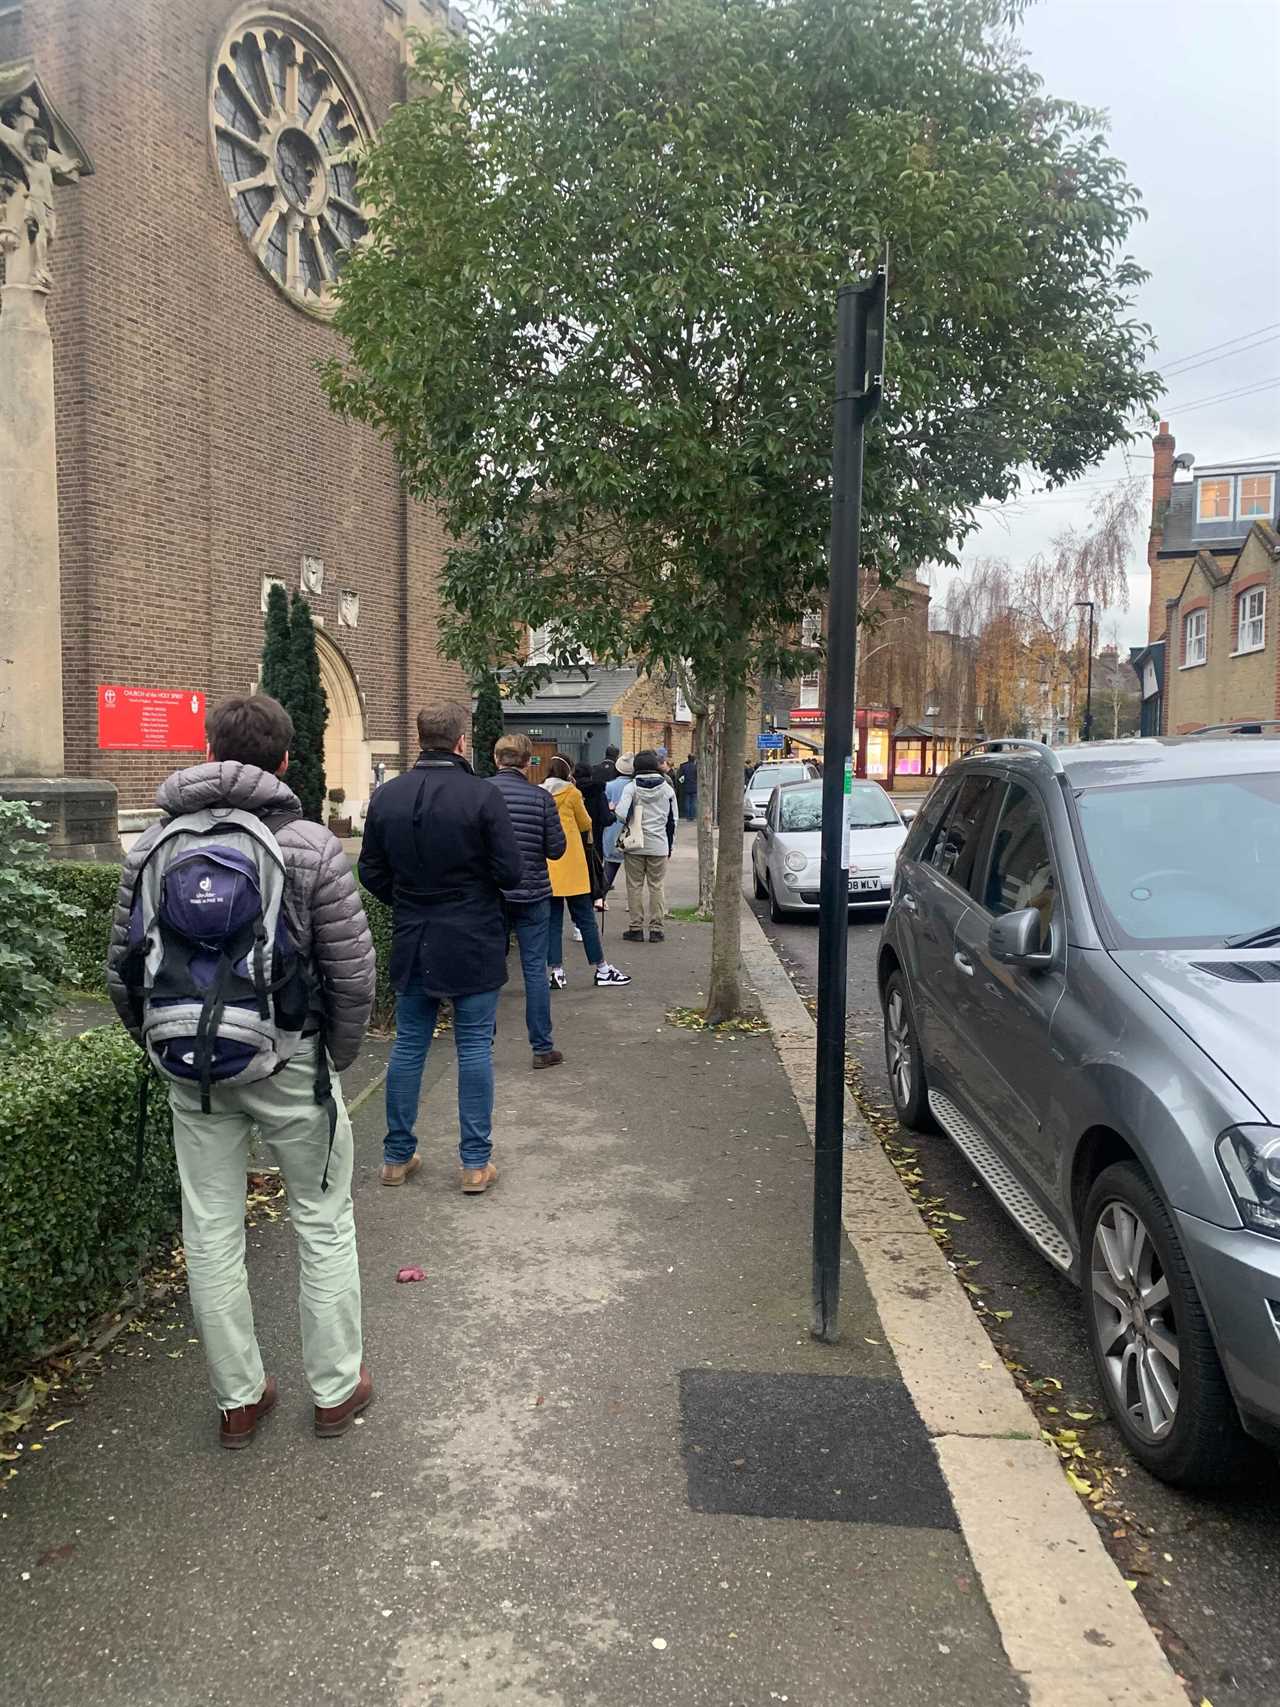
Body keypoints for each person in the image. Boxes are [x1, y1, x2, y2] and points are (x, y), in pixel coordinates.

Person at [105, 694, 377, 1449]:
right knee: (322, 1218)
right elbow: (353, 975)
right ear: (285, 759)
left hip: (191, 1070)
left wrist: (162, 1048)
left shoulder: (151, 844)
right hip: (290, 1059)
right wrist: (335, 1056)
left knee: (211, 1227)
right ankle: (334, 1389)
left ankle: (239, 1398)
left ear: (208, 748)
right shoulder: (311, 844)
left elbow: (122, 971)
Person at [359, 702, 522, 1197]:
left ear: (419, 738)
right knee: (474, 1045)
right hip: (473, 934)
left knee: (409, 1044)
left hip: (415, 932)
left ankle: (396, 1155)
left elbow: (370, 871)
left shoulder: (386, 797)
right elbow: (511, 872)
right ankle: (475, 1163)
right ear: (460, 741)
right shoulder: (482, 796)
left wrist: (407, 900)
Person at [489, 733, 567, 1069]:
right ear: (527, 761)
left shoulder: (482, 794)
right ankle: (541, 1046)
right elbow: (556, 849)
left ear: (496, 759)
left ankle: (482, 1042)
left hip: (491, 894)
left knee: (489, 968)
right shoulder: (540, 799)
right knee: (534, 969)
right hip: (533, 891)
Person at [542, 755, 631, 988]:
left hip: (548, 865)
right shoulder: (572, 793)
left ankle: (556, 971)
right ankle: (601, 968)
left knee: (552, 922)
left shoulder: (539, 793)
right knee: (585, 919)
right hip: (572, 864)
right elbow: (586, 823)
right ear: (568, 772)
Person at [615, 749, 677, 943]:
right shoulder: (667, 789)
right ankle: (656, 929)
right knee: (656, 886)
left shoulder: (631, 787)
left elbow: (621, 813)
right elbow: (673, 820)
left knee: (634, 886)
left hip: (635, 844)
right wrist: (669, 846)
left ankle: (636, 928)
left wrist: (628, 814)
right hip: (659, 844)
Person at [601, 753, 633, 897]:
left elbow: (605, 807)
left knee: (609, 867)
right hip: (631, 833)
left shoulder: (609, 786)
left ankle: (601, 898)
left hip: (612, 831)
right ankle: (631, 902)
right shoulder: (635, 786)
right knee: (633, 873)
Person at [678, 754, 698, 821]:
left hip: (686, 786)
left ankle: (688, 816)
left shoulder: (683, 766)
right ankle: (692, 816)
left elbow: (680, 776)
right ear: (694, 759)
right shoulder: (696, 767)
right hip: (694, 786)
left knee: (687, 801)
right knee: (693, 802)